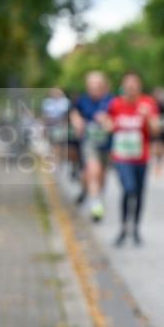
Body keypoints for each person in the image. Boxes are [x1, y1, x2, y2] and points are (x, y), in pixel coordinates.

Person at [106, 72, 160, 246]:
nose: (131, 88)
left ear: (139, 86)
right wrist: (107, 124)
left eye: (134, 84)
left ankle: (135, 228)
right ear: (123, 86)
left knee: (139, 192)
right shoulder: (115, 105)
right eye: (128, 84)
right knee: (128, 189)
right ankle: (123, 227)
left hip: (140, 156)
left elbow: (156, 130)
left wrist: (148, 117)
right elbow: (108, 125)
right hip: (121, 156)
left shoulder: (148, 104)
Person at [70, 72, 113, 222]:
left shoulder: (111, 100)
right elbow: (74, 113)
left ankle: (97, 196)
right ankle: (95, 203)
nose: (94, 88)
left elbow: (116, 117)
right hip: (90, 142)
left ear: (104, 86)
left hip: (107, 144)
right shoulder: (82, 100)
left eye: (97, 85)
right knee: (93, 170)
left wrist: (108, 122)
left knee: (103, 174)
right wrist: (77, 121)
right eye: (91, 85)